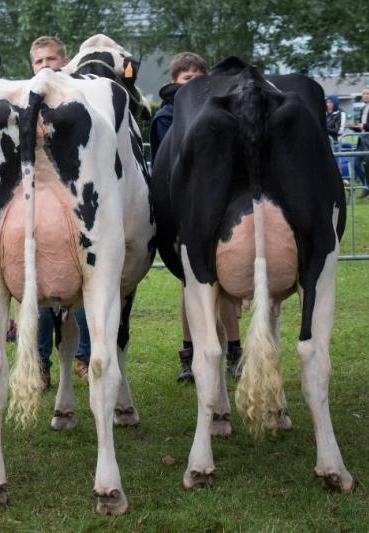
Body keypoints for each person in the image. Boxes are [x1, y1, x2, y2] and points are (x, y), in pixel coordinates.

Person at [150, 52, 243, 382]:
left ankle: (235, 350)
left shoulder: (222, 109)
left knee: (227, 285)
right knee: (191, 286)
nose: (193, 84)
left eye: (198, 77)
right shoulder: (165, 118)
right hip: (184, 215)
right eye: (186, 79)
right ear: (175, 82)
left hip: (220, 209)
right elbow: (163, 168)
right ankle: (188, 354)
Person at [29, 35, 91, 387]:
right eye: (39, 62)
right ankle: (40, 362)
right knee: (39, 290)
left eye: (51, 59)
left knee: (82, 285)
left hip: (78, 208)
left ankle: (84, 356)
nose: (46, 67)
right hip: (37, 209)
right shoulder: (23, 104)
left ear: (65, 62)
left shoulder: (81, 103)